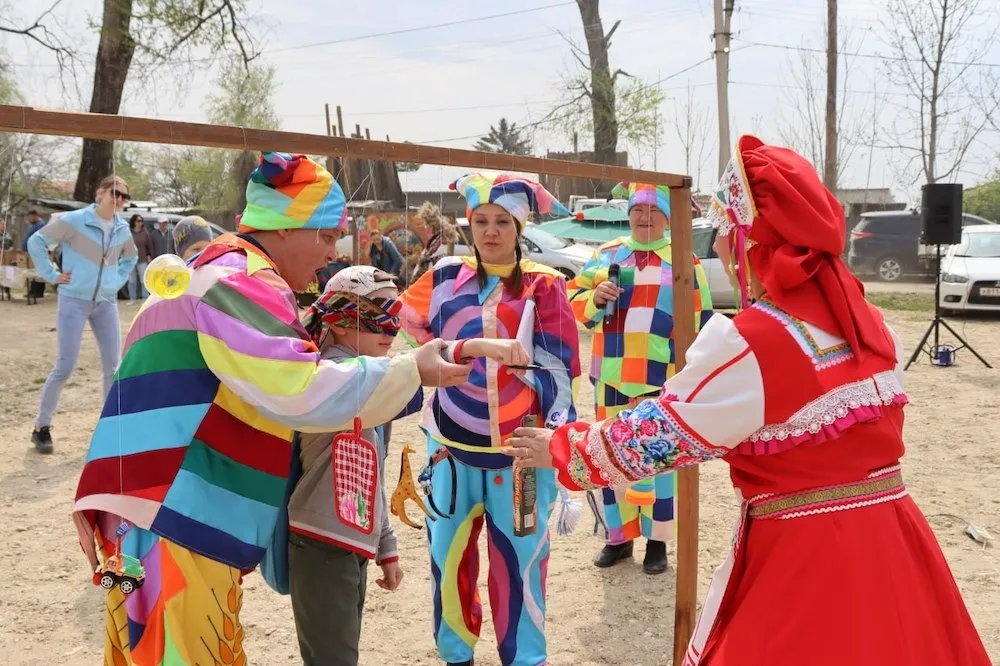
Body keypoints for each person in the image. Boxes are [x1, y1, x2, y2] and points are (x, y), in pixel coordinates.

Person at [507, 136, 991, 666]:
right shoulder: (869, 324)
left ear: (751, 243)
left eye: (725, 231)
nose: (718, 245)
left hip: (805, 555)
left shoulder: (751, 344)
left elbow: (657, 435)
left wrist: (562, 447)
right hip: (894, 539)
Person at [71, 152, 471, 666]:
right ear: (284, 226)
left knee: (142, 651)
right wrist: (412, 369)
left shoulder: (210, 270)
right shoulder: (240, 281)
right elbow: (298, 389)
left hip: (143, 508)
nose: (331, 253)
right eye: (327, 235)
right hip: (170, 512)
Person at [398, 173, 581, 666]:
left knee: (522, 564)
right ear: (469, 224)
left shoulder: (545, 285)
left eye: (502, 221)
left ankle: (524, 658)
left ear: (520, 227)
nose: (491, 231)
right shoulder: (442, 277)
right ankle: (455, 655)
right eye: (481, 221)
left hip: (520, 455)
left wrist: (557, 437)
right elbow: (404, 320)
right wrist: (442, 358)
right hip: (450, 450)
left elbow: (561, 367)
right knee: (447, 559)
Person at [567, 182, 713, 574]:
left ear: (668, 217)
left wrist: (692, 374)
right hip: (611, 376)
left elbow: (701, 319)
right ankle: (618, 538)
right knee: (609, 455)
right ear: (628, 214)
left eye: (654, 211)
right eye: (638, 210)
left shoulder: (683, 259)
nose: (645, 218)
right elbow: (571, 300)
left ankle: (657, 542)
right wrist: (594, 299)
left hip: (662, 378)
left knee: (660, 461)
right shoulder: (607, 253)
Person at [289, 265, 423, 666]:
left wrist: (385, 544)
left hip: (351, 538)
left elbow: (371, 473)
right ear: (340, 321)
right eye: (377, 313)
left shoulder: (371, 380)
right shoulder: (331, 378)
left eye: (396, 313)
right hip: (320, 543)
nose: (391, 328)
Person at [27, 175, 137, 454]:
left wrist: (115, 282)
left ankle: (110, 428)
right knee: (65, 365)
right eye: (115, 193)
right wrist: (51, 274)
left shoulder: (122, 228)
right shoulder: (74, 221)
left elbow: (131, 258)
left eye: (125, 196)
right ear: (101, 193)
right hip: (73, 300)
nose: (120, 199)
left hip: (106, 303)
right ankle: (41, 427)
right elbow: (37, 242)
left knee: (113, 366)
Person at [127, 214, 154, 304]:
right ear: (134, 222)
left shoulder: (145, 232)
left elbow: (149, 246)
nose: (140, 223)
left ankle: (145, 299)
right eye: (138, 221)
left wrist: (150, 257)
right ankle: (132, 299)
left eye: (141, 221)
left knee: (144, 280)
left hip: (142, 260)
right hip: (130, 260)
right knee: (131, 281)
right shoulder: (128, 232)